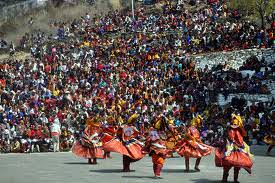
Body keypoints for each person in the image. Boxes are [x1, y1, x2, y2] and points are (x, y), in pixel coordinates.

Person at [215, 114, 253, 183]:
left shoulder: (239, 130)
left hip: (238, 147)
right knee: (228, 163)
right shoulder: (232, 130)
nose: (234, 126)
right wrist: (234, 143)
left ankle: (234, 180)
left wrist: (239, 145)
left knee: (237, 165)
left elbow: (241, 138)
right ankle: (225, 179)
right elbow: (231, 138)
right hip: (232, 147)